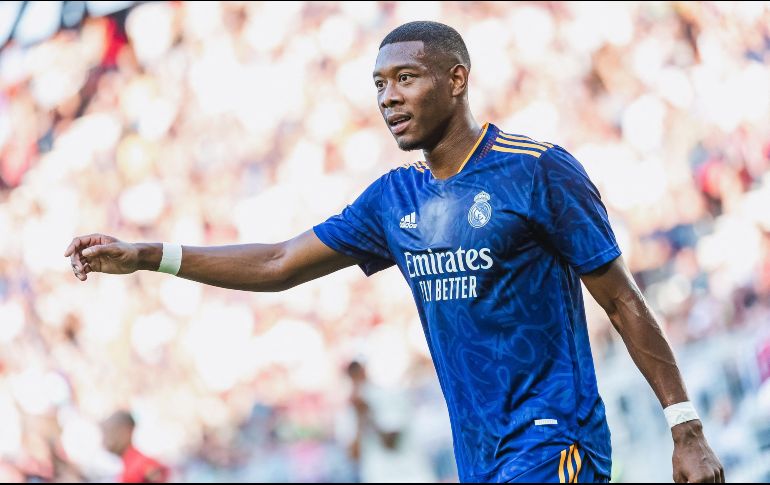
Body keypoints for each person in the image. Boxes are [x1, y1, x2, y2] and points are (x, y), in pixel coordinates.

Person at [65, 21, 723, 483]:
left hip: (556, 443)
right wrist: (151, 255)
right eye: (379, 84)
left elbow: (622, 300)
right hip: (479, 458)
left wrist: (685, 427)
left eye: (405, 78)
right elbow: (277, 262)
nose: (388, 98)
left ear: (456, 78)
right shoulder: (392, 200)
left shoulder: (537, 170)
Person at [102, 411, 169, 483]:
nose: (107, 439)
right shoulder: (124, 466)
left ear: (127, 430)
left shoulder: (143, 465)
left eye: (111, 431)